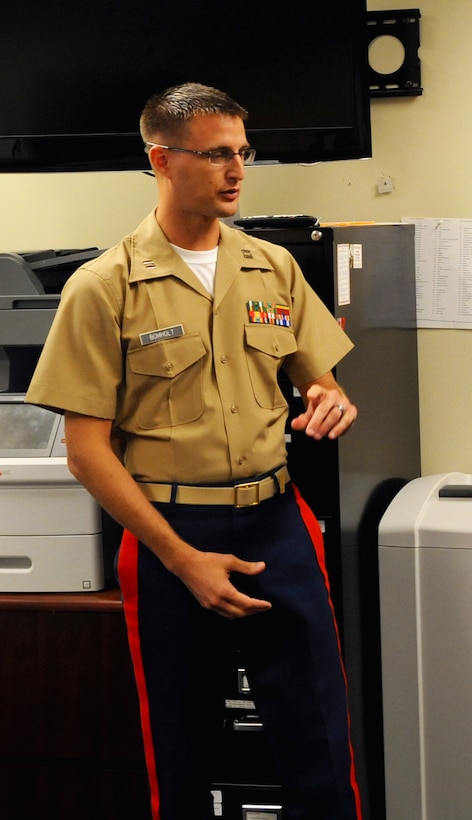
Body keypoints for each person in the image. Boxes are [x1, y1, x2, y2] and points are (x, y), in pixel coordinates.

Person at [26, 83, 362, 820]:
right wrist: (184, 561)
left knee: (321, 753)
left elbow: (321, 381)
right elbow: (86, 451)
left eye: (243, 152)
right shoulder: (104, 286)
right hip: (170, 536)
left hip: (278, 525)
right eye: (216, 154)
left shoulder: (272, 266)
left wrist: (330, 400)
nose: (237, 169)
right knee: (180, 762)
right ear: (162, 159)